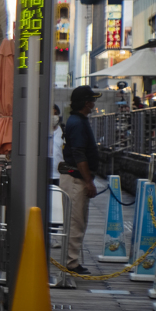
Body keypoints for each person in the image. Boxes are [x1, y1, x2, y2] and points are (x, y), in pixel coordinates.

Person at [60, 86, 102, 275]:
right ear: (87, 102)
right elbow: (79, 154)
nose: (94, 103)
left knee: (77, 220)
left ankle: (72, 259)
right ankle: (71, 262)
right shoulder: (77, 122)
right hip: (76, 178)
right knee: (75, 221)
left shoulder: (78, 120)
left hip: (77, 177)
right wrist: (89, 181)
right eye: (92, 100)